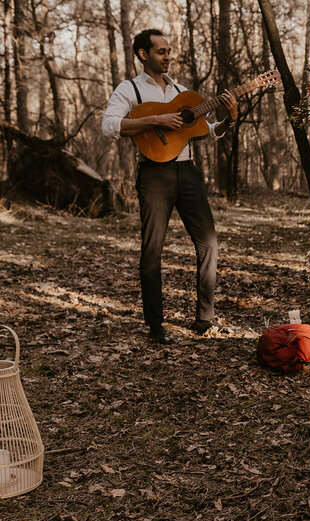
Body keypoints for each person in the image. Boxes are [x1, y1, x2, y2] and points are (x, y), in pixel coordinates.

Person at [102, 29, 238, 344]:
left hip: (188, 173)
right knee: (152, 250)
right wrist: (156, 120)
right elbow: (109, 126)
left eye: (169, 50)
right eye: (161, 51)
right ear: (143, 54)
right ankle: (155, 325)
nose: (167, 56)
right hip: (154, 175)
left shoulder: (183, 92)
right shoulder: (130, 89)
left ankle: (205, 318)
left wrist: (229, 118)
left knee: (209, 243)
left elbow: (209, 130)